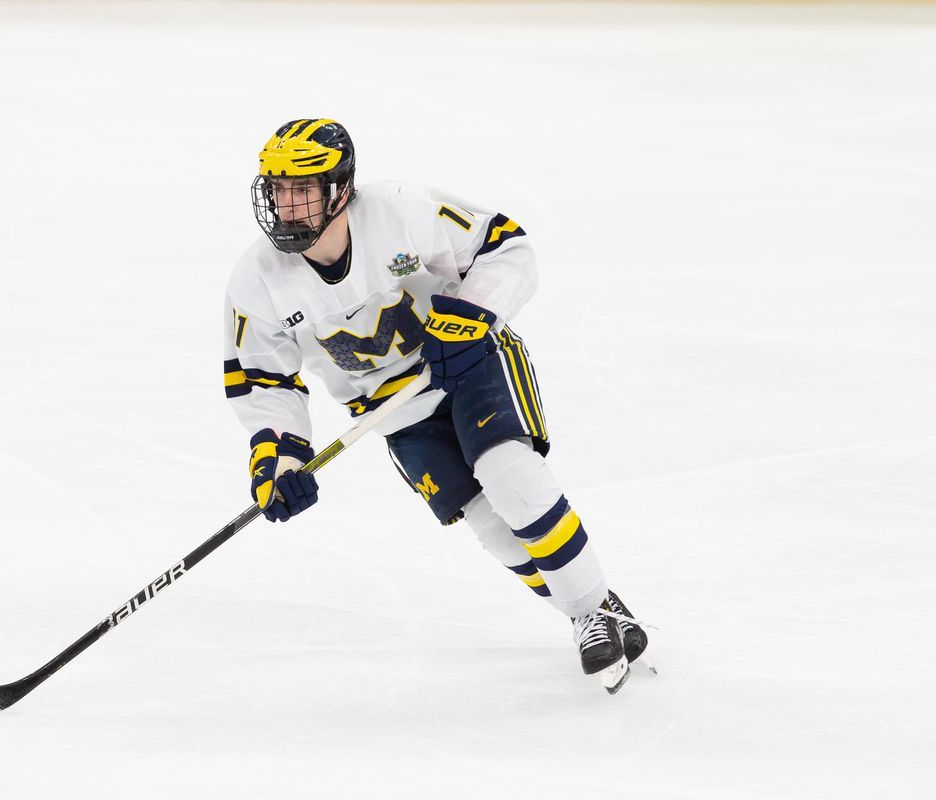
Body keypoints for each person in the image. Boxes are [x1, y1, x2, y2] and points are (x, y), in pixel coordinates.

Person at [222, 118, 647, 693]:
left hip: (468, 368)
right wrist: (279, 461)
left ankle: (592, 611)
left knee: (510, 476)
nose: (285, 204)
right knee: (494, 529)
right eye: (276, 188)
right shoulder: (257, 279)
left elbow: (507, 248)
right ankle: (588, 607)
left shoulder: (401, 211)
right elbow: (262, 379)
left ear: (340, 189)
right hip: (394, 413)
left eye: (302, 189)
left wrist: (467, 318)